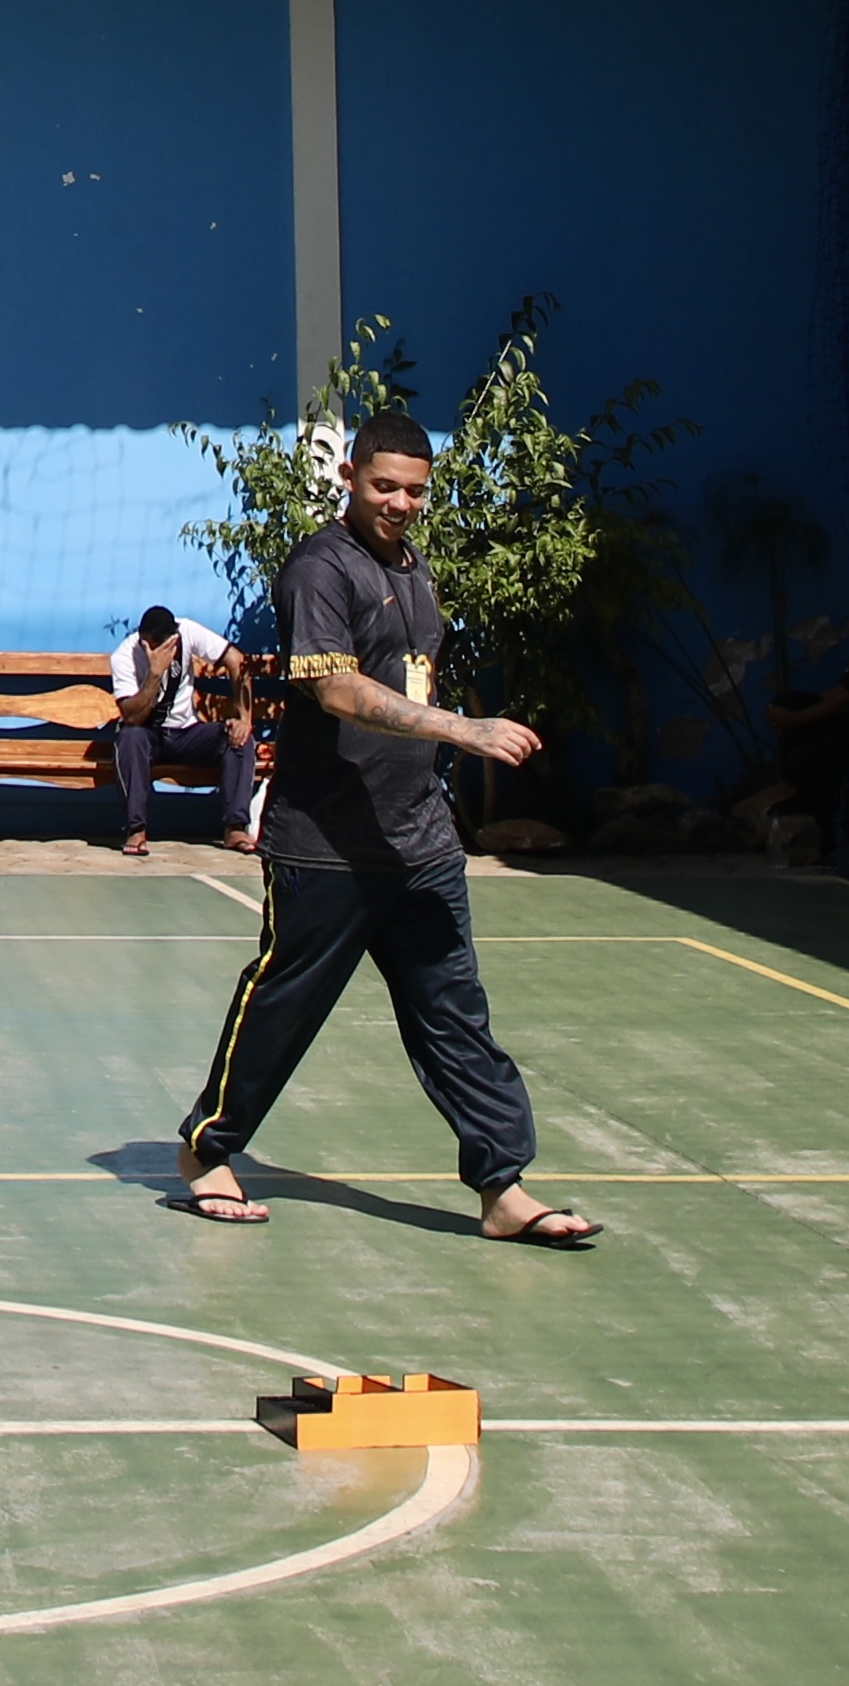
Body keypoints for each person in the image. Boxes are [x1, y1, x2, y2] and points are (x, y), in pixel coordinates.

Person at [172, 410, 600, 1247]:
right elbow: (335, 690)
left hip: (419, 841)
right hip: (325, 845)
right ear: (349, 478)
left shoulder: (412, 566)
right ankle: (206, 1148)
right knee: (285, 1004)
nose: (400, 504)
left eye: (414, 492)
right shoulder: (318, 569)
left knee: (454, 1013)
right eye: (383, 487)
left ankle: (502, 1187)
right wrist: (462, 729)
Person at [99, 604, 252, 857]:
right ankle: (136, 830)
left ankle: (235, 828)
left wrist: (243, 718)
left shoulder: (187, 631)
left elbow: (236, 660)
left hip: (186, 733)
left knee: (238, 738)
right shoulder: (125, 656)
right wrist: (154, 674)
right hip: (148, 735)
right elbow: (132, 716)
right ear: (144, 642)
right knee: (129, 738)